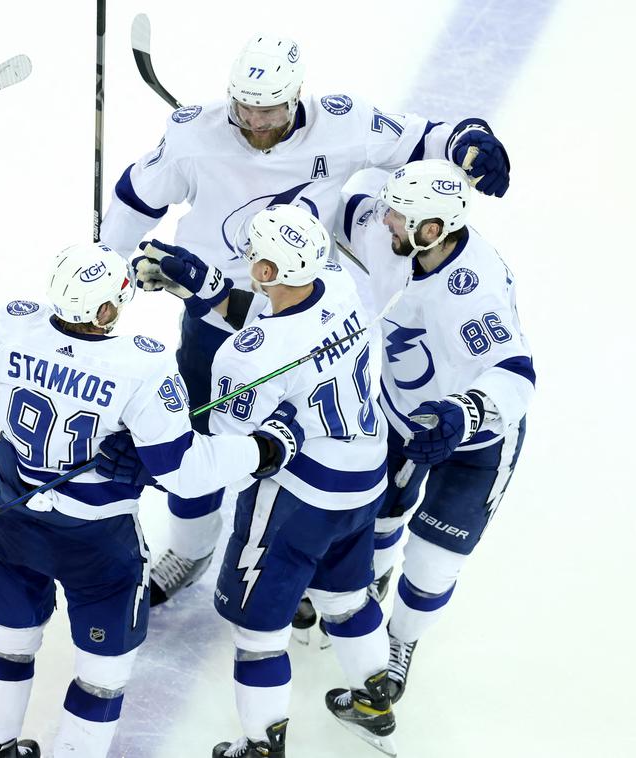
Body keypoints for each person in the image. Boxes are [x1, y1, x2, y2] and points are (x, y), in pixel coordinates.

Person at [99, 32, 513, 604]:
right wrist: (106, 268)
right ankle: (191, 550)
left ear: (296, 97)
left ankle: (310, 562)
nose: (255, 121)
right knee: (196, 437)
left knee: (307, 444)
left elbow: (423, 141)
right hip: (215, 318)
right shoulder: (194, 136)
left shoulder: (342, 124)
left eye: (268, 109)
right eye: (244, 107)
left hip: (305, 322)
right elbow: (135, 196)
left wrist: (470, 139)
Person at [0, 213, 304, 758]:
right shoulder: (142, 366)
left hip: (13, 522)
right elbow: (187, 474)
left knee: (7, 647)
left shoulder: (16, 324)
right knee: (102, 677)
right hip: (98, 545)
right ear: (106, 310)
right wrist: (267, 448)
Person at [134, 205, 398, 757]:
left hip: (298, 498)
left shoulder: (244, 358)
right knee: (344, 591)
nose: (248, 259)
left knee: (257, 627)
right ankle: (375, 695)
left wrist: (159, 434)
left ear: (269, 272)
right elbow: (284, 325)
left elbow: (239, 450)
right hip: (364, 478)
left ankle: (260, 743)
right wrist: (207, 290)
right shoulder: (338, 283)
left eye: (255, 256)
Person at [333, 159, 534, 704]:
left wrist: (465, 412)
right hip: (400, 413)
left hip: (476, 442)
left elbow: (516, 378)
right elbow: (341, 204)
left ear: (433, 230)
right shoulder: (402, 235)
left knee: (431, 563)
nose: (386, 221)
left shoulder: (472, 292)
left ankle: (401, 642)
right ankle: (366, 596)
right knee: (377, 520)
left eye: (399, 216)